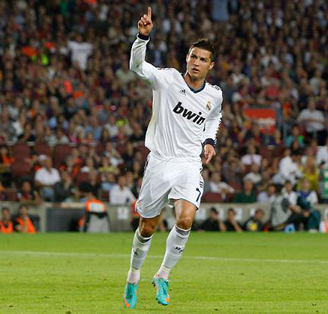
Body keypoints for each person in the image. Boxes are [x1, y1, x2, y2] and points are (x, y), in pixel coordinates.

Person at [123, 8, 222, 309]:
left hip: (189, 164)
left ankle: (163, 274)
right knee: (147, 227)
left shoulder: (214, 95)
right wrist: (143, 36)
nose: (196, 62)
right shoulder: (166, 80)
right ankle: (133, 277)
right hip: (160, 162)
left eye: (202, 59)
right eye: (193, 56)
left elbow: (213, 119)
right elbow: (137, 67)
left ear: (210, 65)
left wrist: (209, 140)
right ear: (187, 58)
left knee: (186, 219)